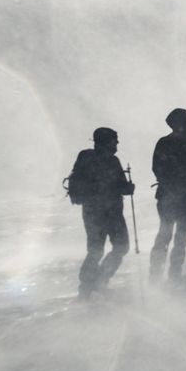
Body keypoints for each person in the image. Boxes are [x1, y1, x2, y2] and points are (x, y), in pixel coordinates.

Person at [69, 127, 135, 299]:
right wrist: (128, 188)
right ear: (106, 141)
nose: (117, 143)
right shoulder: (112, 161)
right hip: (109, 212)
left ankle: (89, 285)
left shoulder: (86, 158)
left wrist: (124, 188)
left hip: (93, 212)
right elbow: (118, 186)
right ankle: (97, 282)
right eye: (115, 140)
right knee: (119, 247)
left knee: (96, 249)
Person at [150, 108, 186, 282]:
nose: (179, 126)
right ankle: (163, 275)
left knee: (174, 236)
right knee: (170, 235)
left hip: (177, 195)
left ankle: (165, 275)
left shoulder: (167, 143)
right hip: (178, 195)